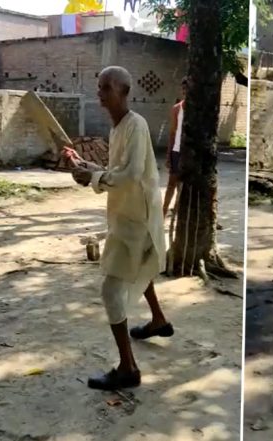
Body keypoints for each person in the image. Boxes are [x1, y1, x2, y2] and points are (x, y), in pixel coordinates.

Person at [69, 66, 173, 390]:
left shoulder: (136, 125)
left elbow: (128, 175)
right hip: (127, 218)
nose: (99, 94)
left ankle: (127, 368)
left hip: (136, 223)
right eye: (99, 87)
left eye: (105, 88)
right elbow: (118, 173)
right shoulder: (117, 129)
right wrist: (91, 170)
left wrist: (95, 177)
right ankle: (158, 320)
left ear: (123, 91)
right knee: (140, 270)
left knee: (111, 291)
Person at [163, 76, 188, 218]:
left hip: (189, 153)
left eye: (188, 89)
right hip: (176, 151)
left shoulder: (197, 110)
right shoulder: (176, 109)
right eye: (183, 89)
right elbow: (172, 133)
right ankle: (163, 211)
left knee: (182, 187)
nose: (185, 92)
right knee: (171, 183)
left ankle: (177, 212)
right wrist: (168, 154)